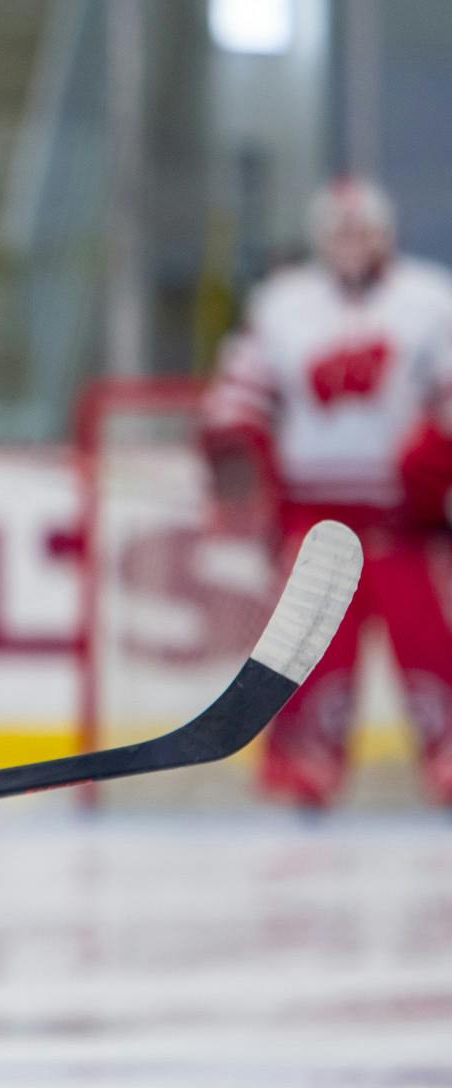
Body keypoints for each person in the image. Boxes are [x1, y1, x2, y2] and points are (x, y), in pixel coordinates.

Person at [202, 178, 452, 807]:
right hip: (314, 513)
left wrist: (435, 454)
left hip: (405, 517)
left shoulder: (431, 298)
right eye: (339, 232)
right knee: (310, 643)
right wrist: (237, 453)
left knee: (429, 637)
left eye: (362, 230)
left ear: (385, 233)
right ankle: (303, 760)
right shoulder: (283, 302)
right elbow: (238, 399)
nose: (351, 244)